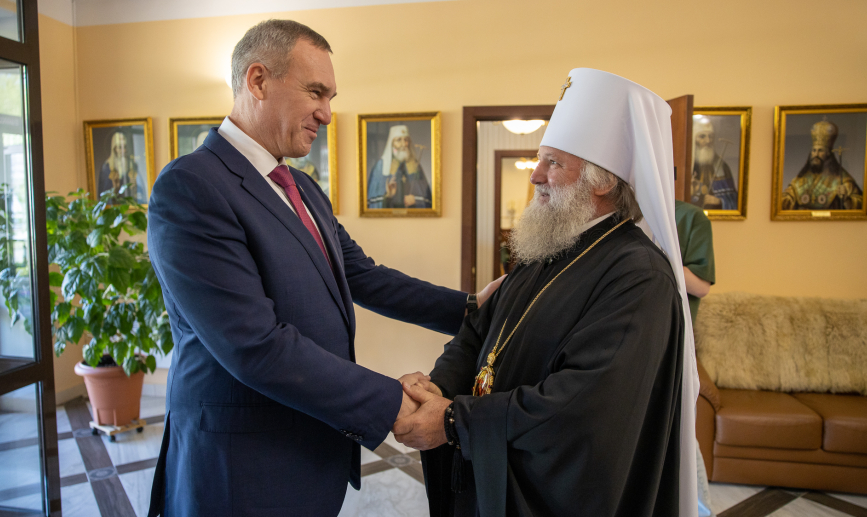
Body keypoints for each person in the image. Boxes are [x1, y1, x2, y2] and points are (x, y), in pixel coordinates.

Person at [146, 20, 502, 517]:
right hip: (241, 468)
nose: (328, 114)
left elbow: (363, 275)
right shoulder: (191, 187)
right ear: (257, 80)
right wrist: (392, 403)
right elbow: (255, 346)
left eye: (331, 97)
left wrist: (469, 308)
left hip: (312, 451)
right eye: (315, 92)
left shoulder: (304, 188)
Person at [393, 68, 699, 516]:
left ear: (603, 181)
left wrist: (456, 421)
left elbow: (583, 402)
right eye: (540, 160)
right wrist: (438, 385)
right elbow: (477, 333)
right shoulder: (547, 246)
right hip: (491, 463)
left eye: (553, 162)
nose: (535, 175)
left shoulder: (640, 276)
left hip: (555, 492)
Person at [675, 200, 717, 517]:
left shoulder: (691, 218)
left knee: (681, 434)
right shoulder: (621, 209)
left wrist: (659, 255)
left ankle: (700, 511)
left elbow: (701, 286)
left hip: (675, 342)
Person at [782, 119, 863, 210]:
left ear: (828, 153)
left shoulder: (841, 178)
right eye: (814, 150)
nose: (816, 154)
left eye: (820, 150)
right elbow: (787, 198)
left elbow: (860, 203)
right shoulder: (801, 178)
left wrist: (846, 199)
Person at [366, 124, 432, 209]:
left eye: (406, 140)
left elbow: (427, 198)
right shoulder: (381, 166)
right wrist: (388, 197)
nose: (404, 144)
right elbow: (373, 202)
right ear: (392, 144)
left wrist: (415, 200)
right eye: (399, 140)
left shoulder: (415, 165)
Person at [690, 117, 737, 210]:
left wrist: (719, 201)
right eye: (702, 136)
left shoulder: (722, 166)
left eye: (710, 136)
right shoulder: (687, 166)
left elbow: (734, 200)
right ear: (694, 139)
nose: (708, 141)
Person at [97, 131, 144, 202]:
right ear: (114, 149)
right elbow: (103, 196)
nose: (123, 151)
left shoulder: (132, 165)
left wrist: (134, 187)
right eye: (120, 147)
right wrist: (115, 189)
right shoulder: (106, 167)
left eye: (125, 147)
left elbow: (141, 191)